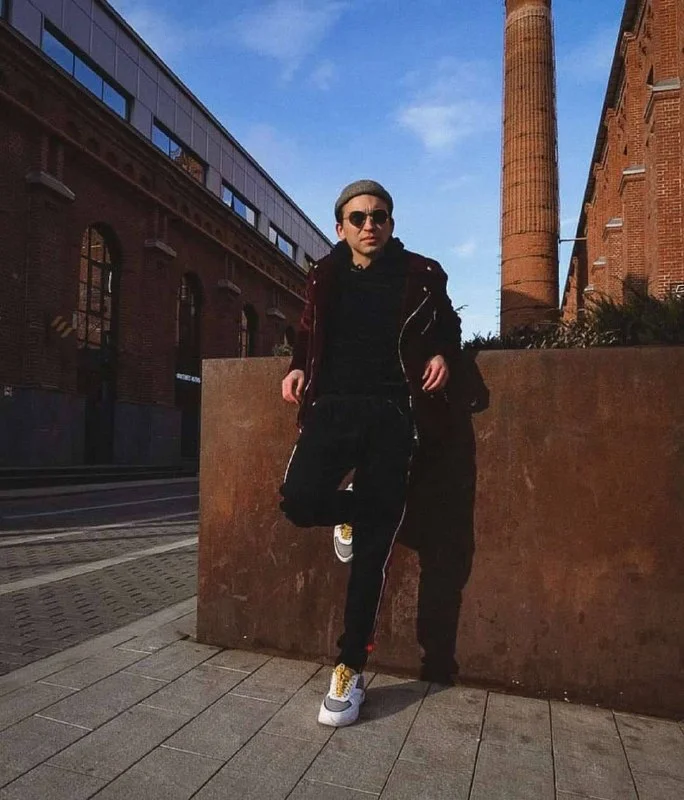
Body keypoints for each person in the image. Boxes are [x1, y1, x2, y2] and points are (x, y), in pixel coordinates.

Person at [279, 179, 462, 727]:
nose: (369, 225)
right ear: (341, 227)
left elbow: (449, 326)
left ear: (391, 223)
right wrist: (296, 365)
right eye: (358, 218)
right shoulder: (324, 274)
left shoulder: (422, 274)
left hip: (393, 415)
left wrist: (444, 354)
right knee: (299, 501)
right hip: (332, 410)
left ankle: (350, 668)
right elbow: (307, 331)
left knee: (372, 552)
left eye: (379, 216)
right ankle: (355, 511)